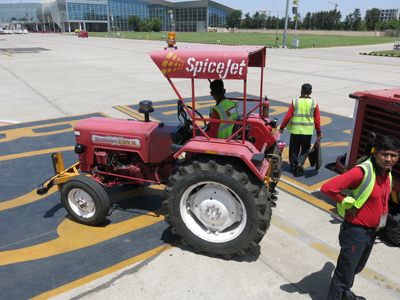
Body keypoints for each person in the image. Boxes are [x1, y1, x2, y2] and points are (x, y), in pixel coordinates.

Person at [321, 135, 400, 300]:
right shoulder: (362, 171)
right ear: (376, 152)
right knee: (344, 272)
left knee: (356, 267)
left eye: (393, 155)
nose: (389, 159)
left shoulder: (387, 173)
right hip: (356, 231)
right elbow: (328, 188)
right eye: (384, 154)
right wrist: (346, 202)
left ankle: (344, 295)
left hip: (372, 231)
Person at [279, 83, 322, 176]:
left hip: (295, 131)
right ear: (310, 92)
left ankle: (294, 167)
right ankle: (300, 162)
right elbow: (317, 120)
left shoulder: (295, 102)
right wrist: (319, 132)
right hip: (307, 132)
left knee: (294, 150)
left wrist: (282, 127)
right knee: (305, 149)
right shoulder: (314, 103)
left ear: (301, 91)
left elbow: (288, 116)